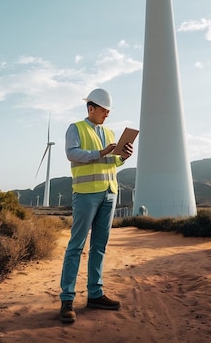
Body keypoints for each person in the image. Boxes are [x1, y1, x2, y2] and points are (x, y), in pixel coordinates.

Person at [59, 88, 134, 324]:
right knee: (76, 246)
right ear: (91, 108)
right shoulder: (75, 128)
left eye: (109, 111)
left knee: (99, 246)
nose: (107, 115)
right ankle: (67, 299)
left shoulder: (110, 132)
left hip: (109, 194)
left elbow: (111, 161)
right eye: (104, 110)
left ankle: (95, 294)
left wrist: (123, 157)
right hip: (85, 195)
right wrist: (101, 152)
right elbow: (72, 154)